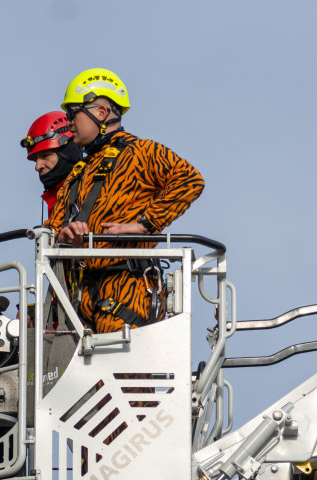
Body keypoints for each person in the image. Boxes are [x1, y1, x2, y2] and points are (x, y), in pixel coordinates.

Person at [46, 68, 204, 334]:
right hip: (78, 301)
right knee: (84, 376)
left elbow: (190, 180)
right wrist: (64, 235)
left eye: (73, 112)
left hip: (126, 290)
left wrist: (145, 224)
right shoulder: (78, 173)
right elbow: (51, 231)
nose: (68, 121)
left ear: (101, 113)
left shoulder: (142, 152)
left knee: (123, 373)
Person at [21, 111, 82, 220]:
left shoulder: (96, 190)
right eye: (35, 160)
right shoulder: (56, 201)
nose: (37, 166)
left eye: (45, 156)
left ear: (69, 153)